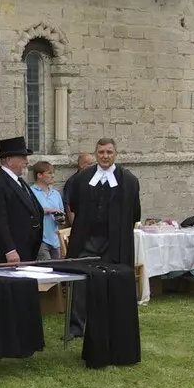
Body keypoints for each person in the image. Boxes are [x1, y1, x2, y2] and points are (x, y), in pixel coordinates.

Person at [63, 138, 142, 344]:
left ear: (115, 154)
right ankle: (75, 327)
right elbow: (75, 205)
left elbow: (135, 213)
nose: (105, 156)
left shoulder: (129, 181)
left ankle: (109, 327)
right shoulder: (82, 179)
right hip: (86, 240)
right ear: (96, 154)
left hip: (114, 242)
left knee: (111, 283)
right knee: (79, 284)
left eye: (109, 152)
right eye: (101, 152)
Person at [0, 136, 42, 264]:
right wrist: (9, 250)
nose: (27, 161)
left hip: (26, 249)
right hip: (11, 254)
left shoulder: (19, 181)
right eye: (22, 157)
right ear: (9, 160)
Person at [28, 160, 65, 260]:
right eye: (49, 173)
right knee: (46, 270)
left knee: (58, 272)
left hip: (55, 240)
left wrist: (60, 218)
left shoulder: (56, 194)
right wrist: (48, 210)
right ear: (39, 175)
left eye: (53, 173)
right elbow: (29, 214)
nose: (52, 176)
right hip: (40, 240)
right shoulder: (30, 192)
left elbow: (62, 215)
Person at [62, 150, 96, 218]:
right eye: (90, 164)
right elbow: (69, 206)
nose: (93, 166)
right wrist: (74, 225)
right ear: (81, 165)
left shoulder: (94, 180)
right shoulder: (73, 182)